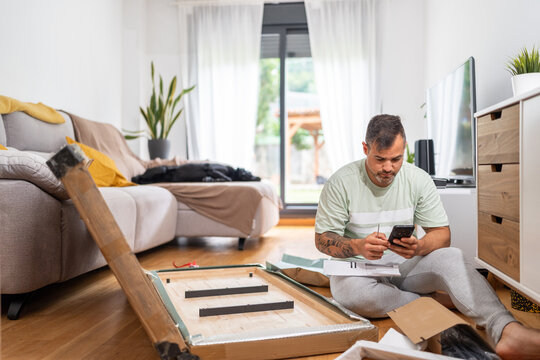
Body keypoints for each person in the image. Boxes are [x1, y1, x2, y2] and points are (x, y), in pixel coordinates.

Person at [315, 114, 540, 359]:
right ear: (365, 149)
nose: (388, 168)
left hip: (405, 267)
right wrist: (358, 244)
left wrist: (419, 246)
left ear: (405, 150)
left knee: (453, 257)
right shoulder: (341, 182)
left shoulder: (418, 179)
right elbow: (322, 240)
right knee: (354, 295)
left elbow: (443, 236)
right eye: (379, 159)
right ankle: (436, 302)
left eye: (396, 159)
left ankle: (507, 330)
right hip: (358, 272)